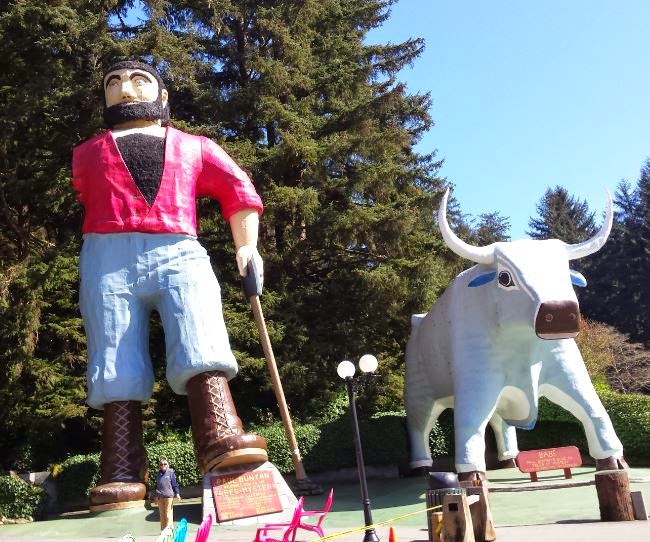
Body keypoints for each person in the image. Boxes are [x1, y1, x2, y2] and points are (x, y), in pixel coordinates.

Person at [72, 59, 268, 509]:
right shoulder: (87, 154)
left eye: (138, 80)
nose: (125, 89)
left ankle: (219, 432)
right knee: (114, 349)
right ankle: (121, 464)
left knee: (199, 328)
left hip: (179, 247)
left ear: (162, 96)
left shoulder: (194, 147)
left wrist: (247, 246)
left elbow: (238, 190)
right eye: (113, 83)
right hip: (107, 253)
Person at [155, 458, 180, 530]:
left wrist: (177, 493)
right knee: (162, 515)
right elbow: (156, 486)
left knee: (168, 515)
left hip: (169, 497)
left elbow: (174, 484)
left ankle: (170, 530)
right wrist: (156, 496)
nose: (163, 465)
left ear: (167, 465)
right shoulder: (158, 474)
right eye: (161, 464)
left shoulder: (171, 473)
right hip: (160, 497)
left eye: (165, 464)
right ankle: (163, 531)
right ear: (159, 466)